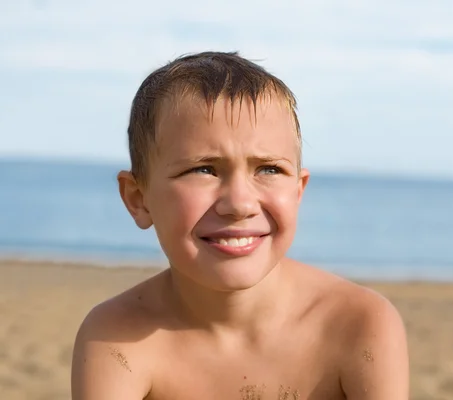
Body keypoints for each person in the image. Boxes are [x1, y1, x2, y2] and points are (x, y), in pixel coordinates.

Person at [71, 51, 409, 399]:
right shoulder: (115, 337)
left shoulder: (360, 324)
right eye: (203, 169)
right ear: (138, 199)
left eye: (269, 169)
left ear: (297, 191)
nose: (240, 204)